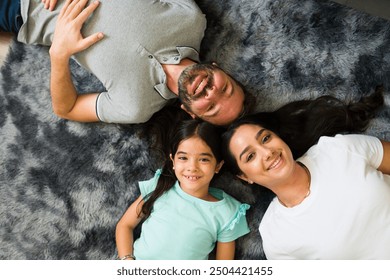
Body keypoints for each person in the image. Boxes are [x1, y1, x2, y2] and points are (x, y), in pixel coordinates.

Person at [0, 0, 248, 126]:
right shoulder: (191, 19)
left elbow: (67, 108)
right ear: (217, 68)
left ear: (191, 113)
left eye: (211, 107)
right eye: (224, 88)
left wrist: (59, 54)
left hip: (20, 12)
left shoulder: (135, 107)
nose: (211, 92)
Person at [221, 87, 390, 259]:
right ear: (244, 176)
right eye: (250, 156)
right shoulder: (276, 236)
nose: (267, 152)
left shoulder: (337, 149)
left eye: (266, 138)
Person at [115, 119, 250, 260]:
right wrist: (127, 260)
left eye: (204, 159)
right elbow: (125, 225)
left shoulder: (227, 212)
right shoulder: (160, 185)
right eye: (183, 158)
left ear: (218, 166)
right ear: (173, 161)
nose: (192, 167)